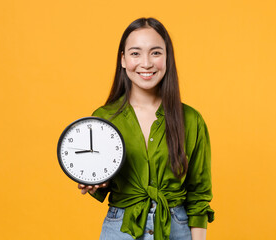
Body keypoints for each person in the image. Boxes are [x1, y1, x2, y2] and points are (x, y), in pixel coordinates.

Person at [78, 17, 214, 240]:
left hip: (177, 230)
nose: (146, 63)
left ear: (167, 58)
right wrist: (94, 180)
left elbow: (199, 196)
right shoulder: (104, 119)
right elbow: (99, 179)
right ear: (123, 59)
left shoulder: (191, 120)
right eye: (135, 53)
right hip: (120, 229)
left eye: (156, 52)